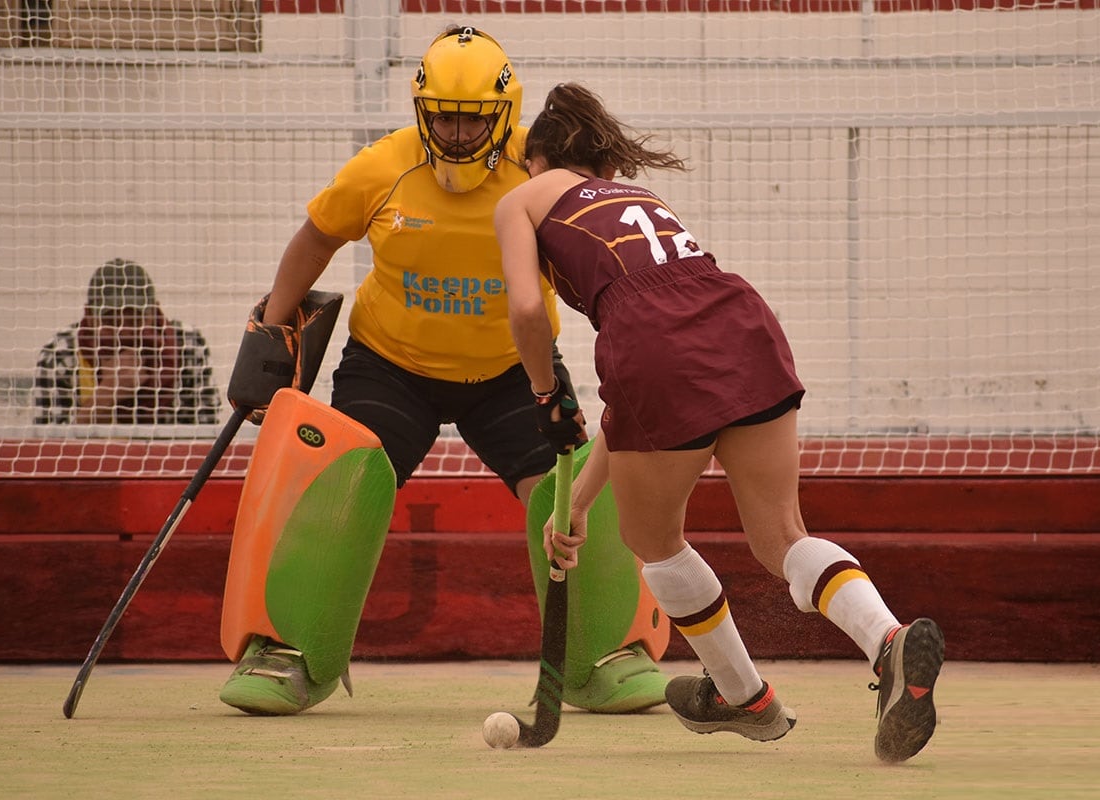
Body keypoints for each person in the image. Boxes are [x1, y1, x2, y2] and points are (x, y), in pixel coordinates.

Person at [216, 26, 668, 717]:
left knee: (572, 490)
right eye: (444, 117)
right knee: (341, 481)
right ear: (421, 108)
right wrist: (275, 327)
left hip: (517, 372)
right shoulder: (381, 168)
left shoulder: (540, 172)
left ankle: (607, 655)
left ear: (506, 115)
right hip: (391, 366)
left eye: (473, 118)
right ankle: (287, 653)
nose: (457, 134)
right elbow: (317, 238)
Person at [494, 82, 946, 763]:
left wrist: (542, 392)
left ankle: (744, 696)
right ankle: (887, 640)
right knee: (782, 536)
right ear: (603, 166)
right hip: (740, 317)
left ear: (534, 159)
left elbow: (531, 315)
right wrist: (578, 503)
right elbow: (640, 399)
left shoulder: (520, 199)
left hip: (650, 344)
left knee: (653, 538)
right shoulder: (641, 202)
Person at [33, 258, 220, 425]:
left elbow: (206, 433)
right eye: (111, 321)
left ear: (154, 313)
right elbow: (50, 447)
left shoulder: (187, 345)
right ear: (89, 316)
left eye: (135, 320)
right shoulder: (60, 354)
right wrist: (107, 392)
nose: (123, 332)